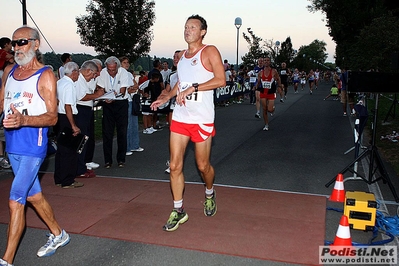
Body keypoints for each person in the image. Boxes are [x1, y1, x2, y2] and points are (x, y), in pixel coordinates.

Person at [0, 26, 69, 266]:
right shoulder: (8, 71)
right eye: (14, 43)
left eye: (22, 42)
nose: (16, 47)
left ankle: (6, 260)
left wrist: (23, 120)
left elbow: (52, 117)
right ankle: (59, 234)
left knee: (15, 199)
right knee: (34, 196)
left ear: (36, 44)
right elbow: (1, 105)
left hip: (33, 146)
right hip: (12, 145)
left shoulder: (46, 75)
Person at [151, 14, 226, 232]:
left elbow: (221, 80)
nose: (188, 30)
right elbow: (180, 85)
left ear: (202, 31)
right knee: (175, 165)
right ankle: (178, 210)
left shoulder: (209, 51)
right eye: (185, 27)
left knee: (203, 166)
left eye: (192, 27)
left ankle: (210, 192)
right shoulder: (182, 57)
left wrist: (194, 87)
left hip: (201, 118)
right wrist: (167, 96)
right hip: (181, 117)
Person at [54, 61, 84, 188]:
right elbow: (68, 106)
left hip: (58, 117)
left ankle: (59, 178)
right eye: (78, 72)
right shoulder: (69, 85)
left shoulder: (59, 82)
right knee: (70, 150)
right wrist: (73, 125)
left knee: (61, 150)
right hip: (67, 117)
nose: (78, 75)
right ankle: (68, 180)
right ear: (74, 72)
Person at [97, 56, 129, 168]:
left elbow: (123, 91)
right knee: (107, 132)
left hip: (121, 103)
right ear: (106, 67)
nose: (111, 72)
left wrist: (114, 96)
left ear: (117, 67)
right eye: (109, 70)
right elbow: (100, 88)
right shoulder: (103, 73)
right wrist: (104, 96)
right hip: (108, 104)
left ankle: (121, 159)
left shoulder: (123, 72)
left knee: (122, 132)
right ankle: (107, 160)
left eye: (114, 70)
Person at [75, 60, 103, 178]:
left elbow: (90, 93)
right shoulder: (78, 80)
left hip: (87, 109)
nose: (94, 76)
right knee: (81, 139)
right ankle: (79, 167)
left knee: (86, 138)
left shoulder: (88, 79)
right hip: (80, 109)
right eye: (94, 74)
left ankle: (83, 164)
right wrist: (97, 95)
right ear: (88, 71)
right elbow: (81, 97)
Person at [119, 56, 144, 154]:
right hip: (126, 100)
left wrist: (132, 88)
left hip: (132, 99)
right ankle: (127, 147)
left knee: (134, 123)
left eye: (127, 62)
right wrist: (131, 88)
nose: (127, 64)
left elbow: (135, 86)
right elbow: (128, 89)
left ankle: (134, 145)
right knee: (128, 125)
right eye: (124, 62)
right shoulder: (121, 72)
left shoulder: (128, 73)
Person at [255, 56, 281, 131]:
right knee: (264, 109)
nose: (266, 62)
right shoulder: (260, 73)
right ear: (263, 62)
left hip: (271, 92)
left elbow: (278, 78)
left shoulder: (274, 71)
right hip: (263, 92)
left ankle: (272, 109)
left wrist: (279, 86)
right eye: (265, 60)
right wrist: (256, 87)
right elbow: (259, 82)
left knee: (269, 109)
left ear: (270, 62)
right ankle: (266, 124)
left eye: (267, 60)